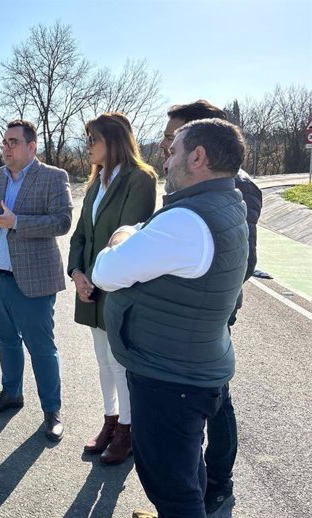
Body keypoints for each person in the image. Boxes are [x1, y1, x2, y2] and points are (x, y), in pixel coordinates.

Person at [93, 118, 249, 518]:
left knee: (170, 485)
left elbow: (105, 272)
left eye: (172, 150)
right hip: (191, 366)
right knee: (184, 467)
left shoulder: (186, 221)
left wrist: (122, 236)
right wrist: (140, 235)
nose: (165, 161)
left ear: (197, 157)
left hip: (169, 378)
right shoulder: (225, 202)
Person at [160, 100, 262, 516]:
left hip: (209, 314)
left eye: (173, 136)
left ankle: (218, 482)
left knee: (215, 400)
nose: (167, 145)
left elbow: (243, 260)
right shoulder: (187, 182)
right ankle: (192, 484)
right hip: (185, 311)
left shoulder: (241, 188)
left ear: (200, 144)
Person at [0, 119, 73, 441]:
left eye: (13, 142)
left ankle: (51, 410)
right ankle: (11, 393)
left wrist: (16, 222)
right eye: (4, 142)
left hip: (34, 281)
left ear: (32, 146)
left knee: (41, 348)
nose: (6, 147)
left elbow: (62, 222)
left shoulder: (54, 177)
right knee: (6, 340)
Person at [67, 112, 157, 464]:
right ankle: (110, 421)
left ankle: (127, 431)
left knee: (120, 363)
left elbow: (128, 237)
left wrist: (93, 275)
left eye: (93, 139)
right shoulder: (95, 182)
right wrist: (77, 273)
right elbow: (80, 236)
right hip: (90, 287)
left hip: (117, 287)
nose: (87, 146)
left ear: (114, 140)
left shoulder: (141, 179)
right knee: (103, 361)